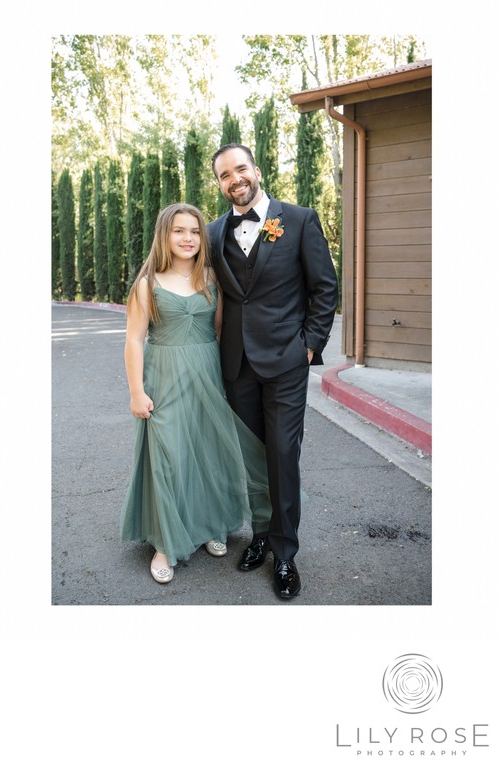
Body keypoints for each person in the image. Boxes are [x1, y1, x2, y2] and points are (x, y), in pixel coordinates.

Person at [208, 143, 337, 599]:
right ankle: (260, 534)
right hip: (236, 365)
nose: (234, 179)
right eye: (225, 175)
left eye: (240, 169)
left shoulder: (299, 220)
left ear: (256, 171)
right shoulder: (212, 232)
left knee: (282, 456)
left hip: (286, 363)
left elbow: (325, 288)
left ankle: (284, 554)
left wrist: (310, 346)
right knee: (252, 461)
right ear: (220, 183)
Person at [119, 203, 271, 584]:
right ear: (164, 236)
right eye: (178, 231)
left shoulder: (212, 279)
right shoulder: (147, 284)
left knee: (207, 454)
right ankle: (165, 545)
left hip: (206, 376)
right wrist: (136, 391)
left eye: (194, 231)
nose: (187, 238)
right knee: (170, 458)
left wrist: (223, 380)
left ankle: (208, 526)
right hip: (164, 377)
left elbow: (217, 332)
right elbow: (135, 340)